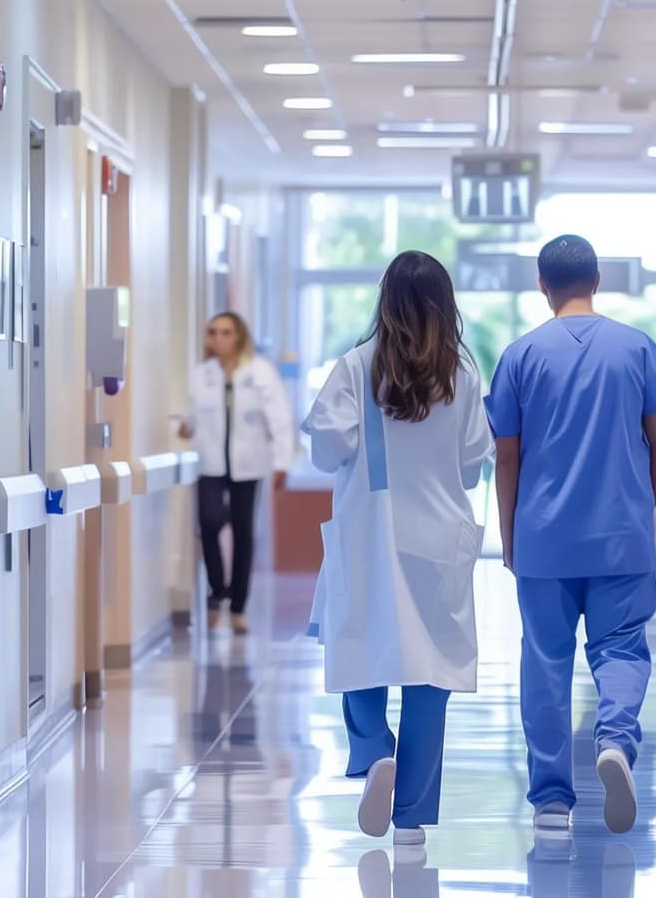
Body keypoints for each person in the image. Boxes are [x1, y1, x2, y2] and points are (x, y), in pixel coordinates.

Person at [487, 234, 656, 837]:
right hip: (621, 534)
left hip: (543, 537)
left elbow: (508, 457)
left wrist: (511, 534)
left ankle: (550, 803)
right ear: (597, 281)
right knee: (621, 647)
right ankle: (616, 740)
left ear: (542, 287)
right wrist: (636, 508)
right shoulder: (636, 349)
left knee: (545, 663)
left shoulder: (520, 355)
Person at [304, 251, 493, 848]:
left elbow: (327, 452)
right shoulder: (462, 375)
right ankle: (411, 817)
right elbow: (471, 466)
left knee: (358, 644)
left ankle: (373, 750)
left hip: (370, 534)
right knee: (429, 672)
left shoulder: (355, 367)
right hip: (438, 539)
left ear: (385, 301)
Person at [182, 311, 293, 633]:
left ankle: (239, 606)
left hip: (249, 464)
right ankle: (218, 590)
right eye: (213, 332)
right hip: (211, 464)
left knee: (244, 533)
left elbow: (280, 419)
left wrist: (281, 463)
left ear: (239, 335)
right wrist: (186, 428)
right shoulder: (201, 374)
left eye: (226, 332)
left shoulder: (260, 372)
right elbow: (192, 415)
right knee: (210, 522)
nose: (219, 339)